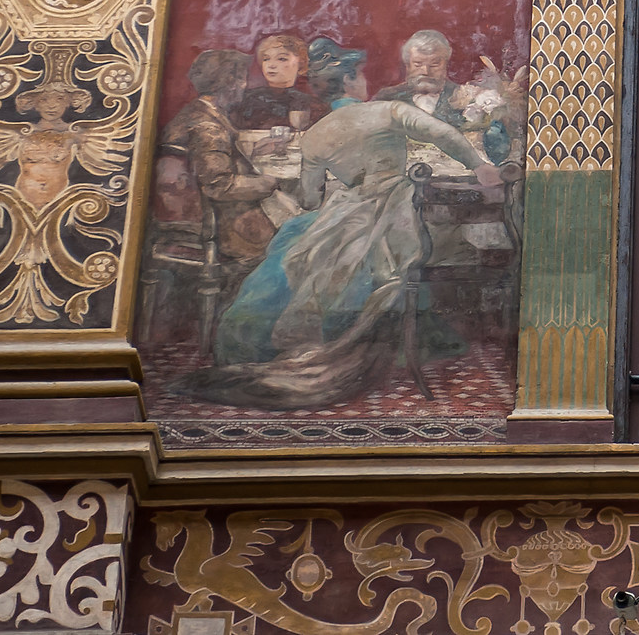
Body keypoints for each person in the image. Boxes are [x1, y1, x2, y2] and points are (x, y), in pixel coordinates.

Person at [188, 92, 503, 408]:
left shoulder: (314, 137)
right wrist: (479, 166)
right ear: (360, 103)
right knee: (413, 244)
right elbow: (443, 133)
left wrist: (337, 192)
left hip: (355, 208)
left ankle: (260, 347)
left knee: (300, 239)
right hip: (403, 208)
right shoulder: (389, 110)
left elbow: (310, 198)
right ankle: (408, 335)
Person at [160, 50, 281, 269]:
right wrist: (269, 183)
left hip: (190, 216)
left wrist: (252, 152)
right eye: (242, 78)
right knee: (296, 235)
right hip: (223, 226)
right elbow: (220, 186)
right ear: (229, 83)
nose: (245, 85)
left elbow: (205, 163)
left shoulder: (193, 114)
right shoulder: (208, 127)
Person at [369, 29, 519, 164]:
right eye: (418, 64)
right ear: (407, 65)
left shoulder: (468, 98)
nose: (426, 71)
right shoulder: (387, 98)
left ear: (446, 64)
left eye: (434, 64)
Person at [230, 32, 322, 132]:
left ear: (301, 63)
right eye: (266, 59)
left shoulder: (312, 105)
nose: (271, 65)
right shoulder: (247, 100)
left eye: (281, 59)